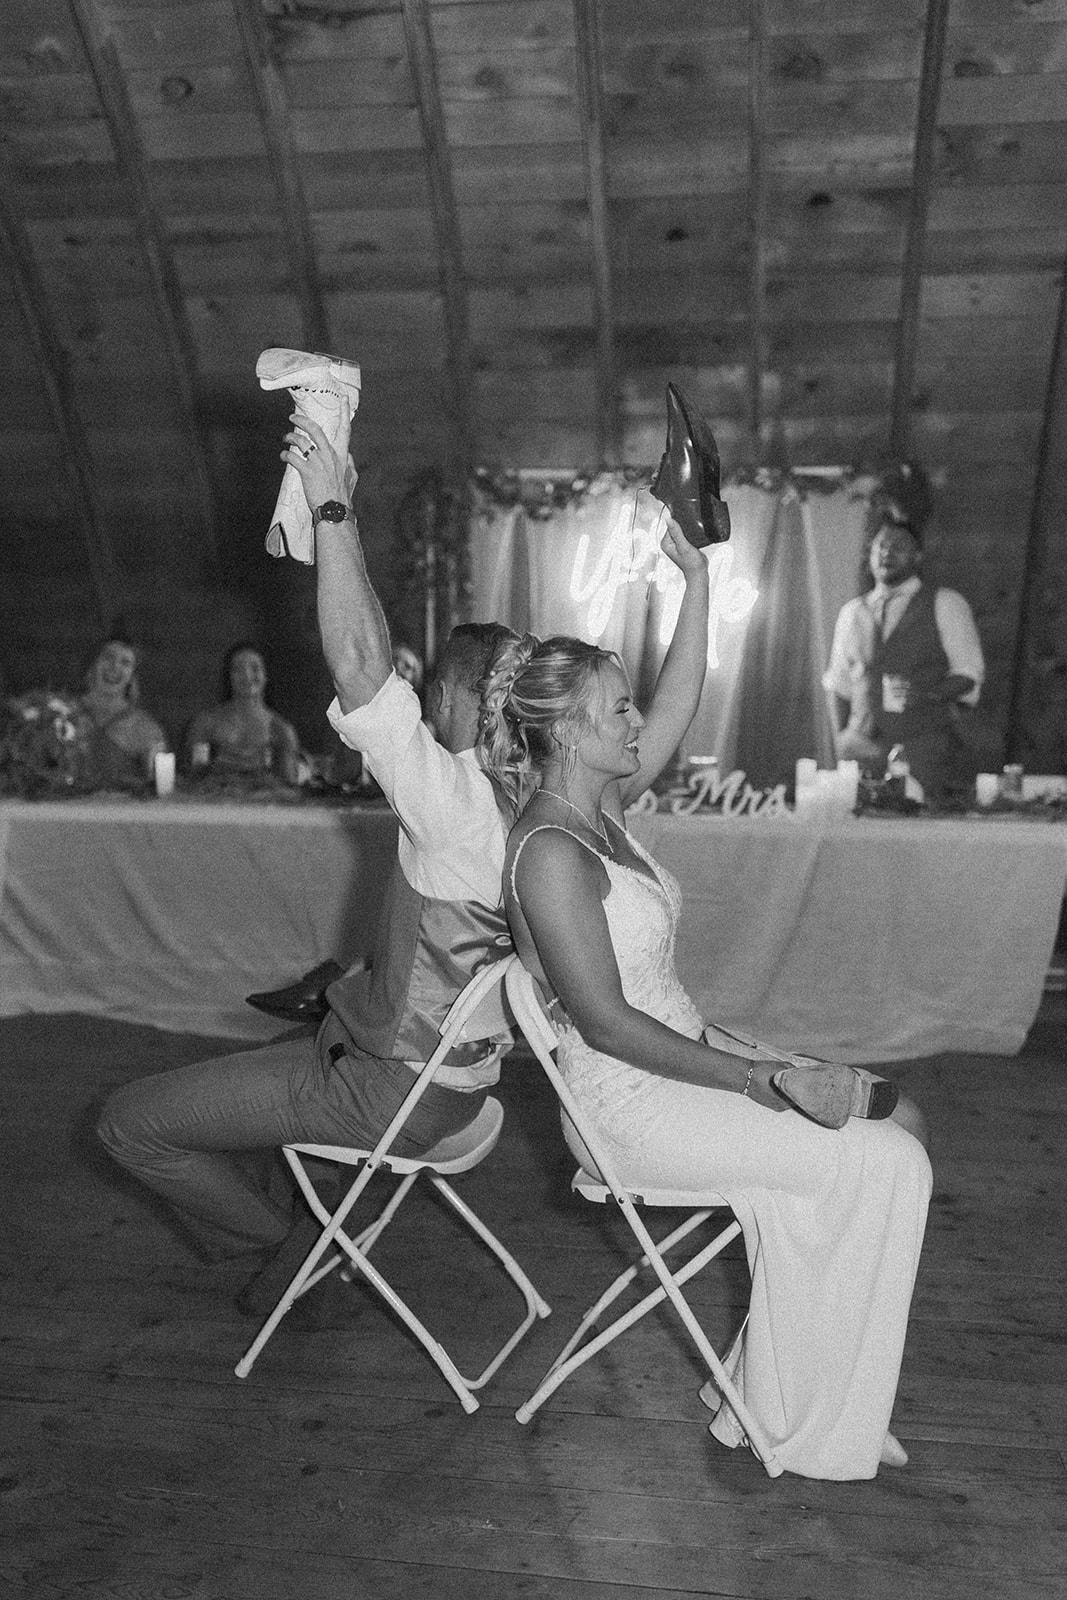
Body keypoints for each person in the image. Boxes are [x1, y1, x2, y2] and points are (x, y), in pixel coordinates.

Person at [479, 621, 933, 1480]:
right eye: (620, 708)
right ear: (568, 730)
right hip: (627, 1106)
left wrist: (695, 578)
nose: (638, 721)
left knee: (900, 1124)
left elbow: (678, 704)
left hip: (684, 1053)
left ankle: (776, 1392)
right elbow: (605, 1024)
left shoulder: (599, 811)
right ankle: (800, 1421)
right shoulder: (546, 852)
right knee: (887, 1163)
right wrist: (761, 1079)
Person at [97, 403, 520, 1319]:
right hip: (462, 1085)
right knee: (277, 1049)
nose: (417, 702)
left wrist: (334, 509)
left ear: (457, 701)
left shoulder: (454, 805)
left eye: (431, 691)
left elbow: (362, 664)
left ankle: (281, 1241)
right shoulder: (535, 802)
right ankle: (303, 1213)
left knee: (129, 1123)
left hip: (386, 1090)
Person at [823, 515, 985, 799]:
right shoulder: (852, 612)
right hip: (861, 750)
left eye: (898, 546)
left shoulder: (945, 603)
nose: (887, 553)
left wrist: (927, 693)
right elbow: (839, 685)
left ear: (917, 555)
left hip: (923, 749)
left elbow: (969, 674)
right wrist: (842, 738)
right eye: (881, 546)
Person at [184, 643, 301, 786]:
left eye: (255, 668)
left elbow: (289, 785)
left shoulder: (280, 729)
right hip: (215, 798)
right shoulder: (206, 724)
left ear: (266, 675)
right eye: (238, 669)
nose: (247, 675)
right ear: (229, 677)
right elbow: (192, 779)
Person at [78, 636, 169, 792]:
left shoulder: (146, 727)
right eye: (109, 657)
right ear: (93, 664)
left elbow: (160, 785)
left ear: (132, 676)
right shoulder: (63, 713)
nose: (114, 667)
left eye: (125, 663)